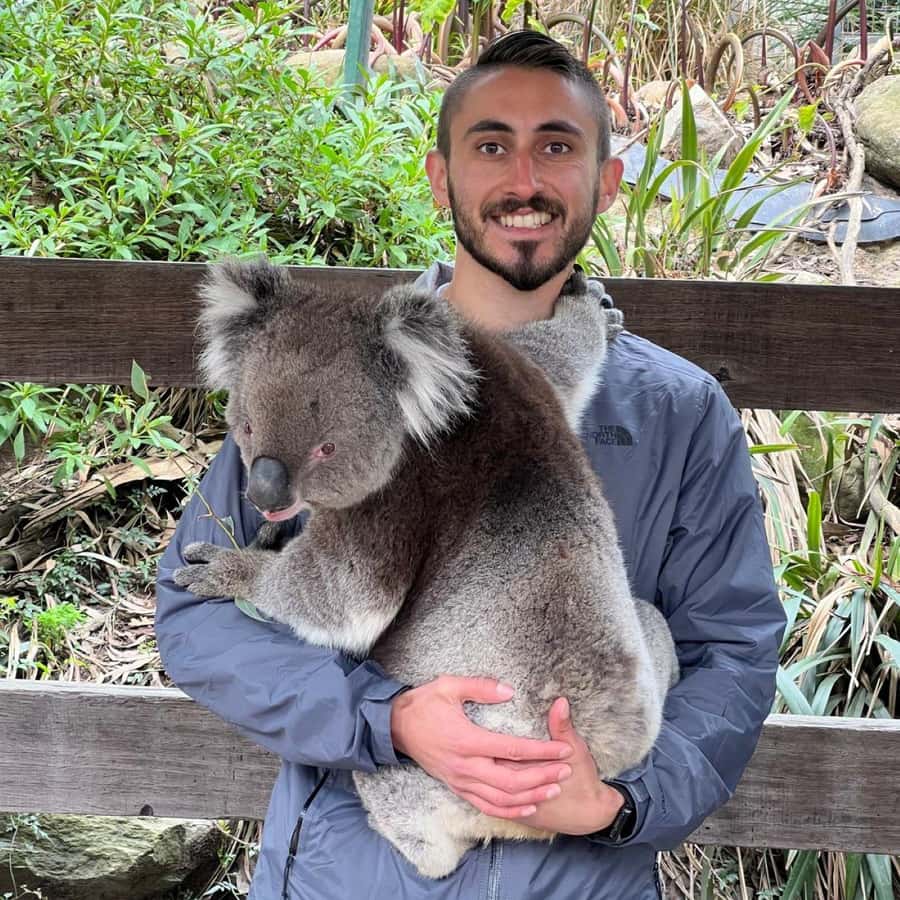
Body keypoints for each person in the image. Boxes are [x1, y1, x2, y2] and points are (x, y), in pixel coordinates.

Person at [155, 30, 786, 900]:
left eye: (556, 147)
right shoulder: (309, 373)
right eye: (491, 147)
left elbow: (733, 651)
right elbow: (196, 616)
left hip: (576, 875)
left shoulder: (677, 412)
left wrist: (618, 804)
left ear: (607, 181)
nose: (523, 180)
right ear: (439, 177)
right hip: (350, 872)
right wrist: (388, 721)